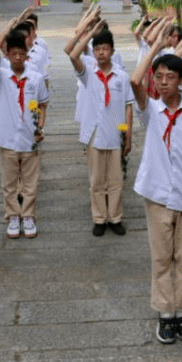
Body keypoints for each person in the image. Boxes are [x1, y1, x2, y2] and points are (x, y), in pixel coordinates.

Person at [131, 19, 182, 345]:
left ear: (180, 82)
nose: (163, 83)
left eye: (170, 78)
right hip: (158, 195)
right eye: (159, 77)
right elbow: (136, 80)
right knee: (162, 257)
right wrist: (156, 46)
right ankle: (165, 314)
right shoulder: (151, 111)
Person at [65, 17, 134, 237]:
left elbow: (128, 107)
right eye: (98, 49)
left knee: (115, 179)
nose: (101, 52)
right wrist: (91, 30)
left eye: (105, 48)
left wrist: (128, 135)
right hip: (94, 132)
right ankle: (99, 218)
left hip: (114, 132)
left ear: (112, 51)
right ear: (94, 52)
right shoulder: (88, 74)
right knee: (96, 180)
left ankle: (115, 217)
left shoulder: (121, 77)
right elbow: (71, 52)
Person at [0, 9, 49, 239]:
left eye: (22, 53)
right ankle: (13, 215)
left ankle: (29, 215)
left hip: (29, 136)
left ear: (27, 53)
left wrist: (40, 126)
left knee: (31, 182)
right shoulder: (1, 76)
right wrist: (9, 28)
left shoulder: (35, 77)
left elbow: (43, 104)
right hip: (7, 136)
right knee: (10, 181)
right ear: (8, 54)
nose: (18, 58)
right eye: (14, 54)